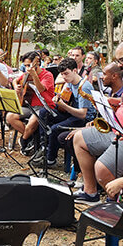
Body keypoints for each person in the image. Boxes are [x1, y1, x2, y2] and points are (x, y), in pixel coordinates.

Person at [71, 45, 123, 204]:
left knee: (102, 169)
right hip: (116, 129)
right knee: (78, 138)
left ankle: (114, 203)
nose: (120, 65)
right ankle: (90, 192)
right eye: (118, 60)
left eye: (121, 60)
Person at [33, 57, 96, 168]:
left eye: (66, 74)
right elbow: (64, 97)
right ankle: (44, 147)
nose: (64, 77)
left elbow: (83, 114)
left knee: (55, 129)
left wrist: (64, 105)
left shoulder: (84, 86)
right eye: (62, 74)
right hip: (72, 113)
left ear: (75, 71)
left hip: (83, 119)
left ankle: (51, 160)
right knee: (44, 113)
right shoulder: (70, 82)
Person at [6, 51, 55, 156]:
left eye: (29, 65)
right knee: (10, 116)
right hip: (29, 106)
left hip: (44, 107)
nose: (27, 68)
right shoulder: (26, 75)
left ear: (36, 64)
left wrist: (34, 75)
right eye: (25, 65)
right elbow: (15, 80)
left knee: (33, 121)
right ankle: (31, 138)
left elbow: (41, 89)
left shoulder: (47, 75)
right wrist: (16, 86)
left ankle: (24, 140)